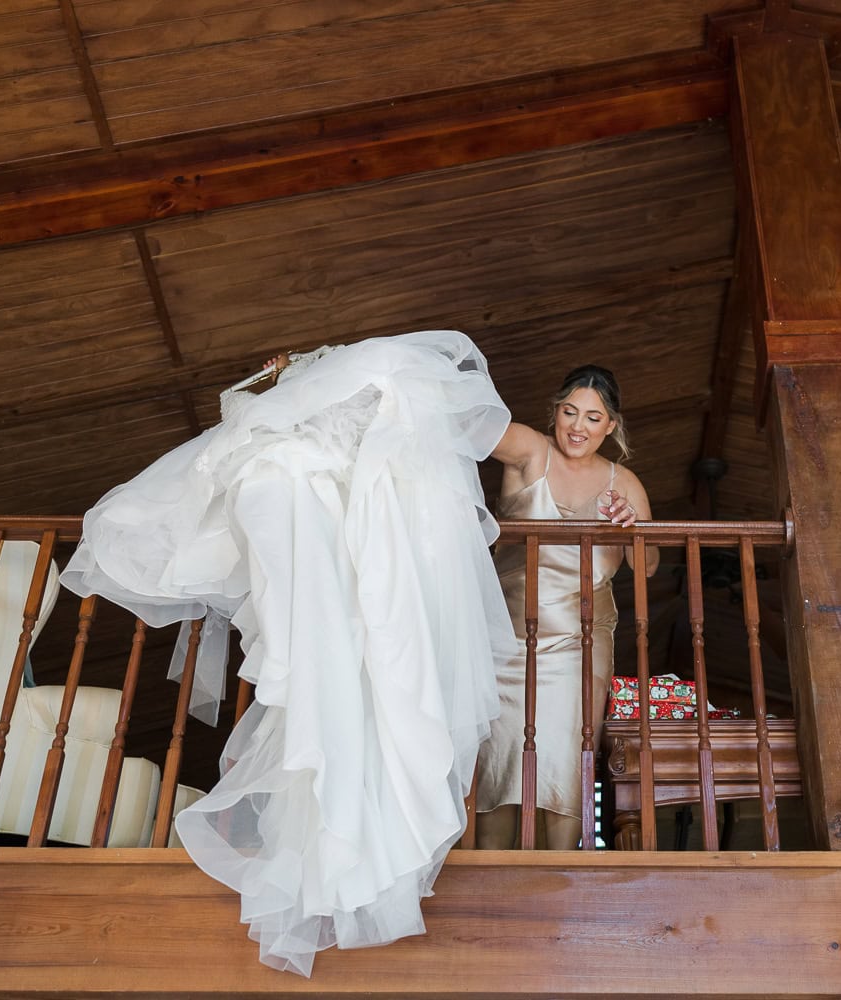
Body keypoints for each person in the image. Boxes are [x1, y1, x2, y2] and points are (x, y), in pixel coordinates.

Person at [61, 331, 516, 975]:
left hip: (355, 557)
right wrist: (273, 386)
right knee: (336, 688)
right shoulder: (281, 440)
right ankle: (339, 854)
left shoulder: (382, 378)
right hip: (320, 564)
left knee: (374, 679)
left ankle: (354, 852)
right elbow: (235, 415)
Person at [473, 364, 659, 850]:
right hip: (508, 643)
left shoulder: (626, 482)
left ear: (611, 426)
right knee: (498, 761)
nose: (578, 427)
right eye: (570, 412)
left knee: (561, 759)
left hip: (581, 646)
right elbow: (465, 424)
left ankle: (559, 874)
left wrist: (632, 528)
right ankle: (490, 874)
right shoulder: (531, 451)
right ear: (554, 412)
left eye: (593, 418)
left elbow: (650, 568)